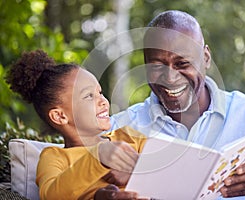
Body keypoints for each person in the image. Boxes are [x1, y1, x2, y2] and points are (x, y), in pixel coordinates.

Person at [109, 10, 245, 199]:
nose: (170, 78)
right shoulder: (121, 129)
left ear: (206, 58)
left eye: (182, 64)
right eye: (157, 66)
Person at [5, 50, 146, 200]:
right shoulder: (55, 157)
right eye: (89, 96)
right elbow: (51, 196)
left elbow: (167, 167)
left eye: (100, 92)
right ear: (60, 116)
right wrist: (98, 157)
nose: (103, 101)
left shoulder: (129, 137)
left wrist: (137, 171)